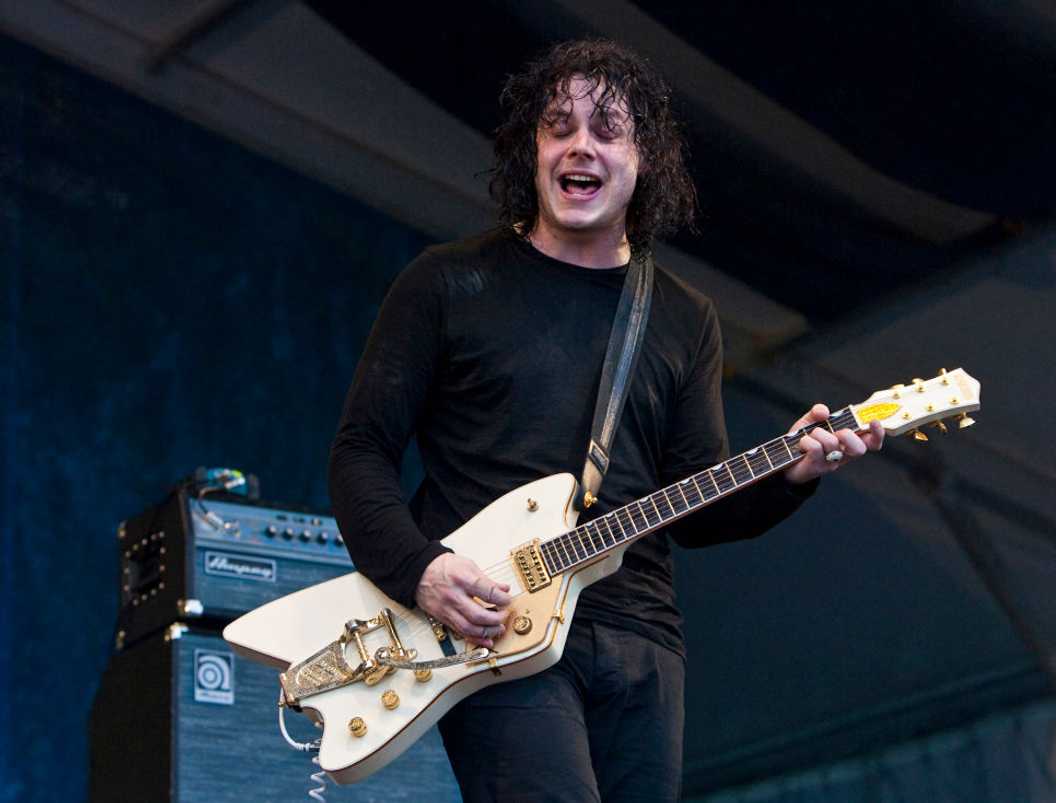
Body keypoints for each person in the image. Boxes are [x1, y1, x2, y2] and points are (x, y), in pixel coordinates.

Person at [329, 39, 883, 802]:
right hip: (496, 628)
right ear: (532, 149)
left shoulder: (684, 316)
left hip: (643, 639)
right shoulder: (447, 283)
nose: (579, 146)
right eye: (558, 127)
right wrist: (419, 569)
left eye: (606, 130)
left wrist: (792, 474)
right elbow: (360, 452)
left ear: (644, 158)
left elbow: (698, 505)